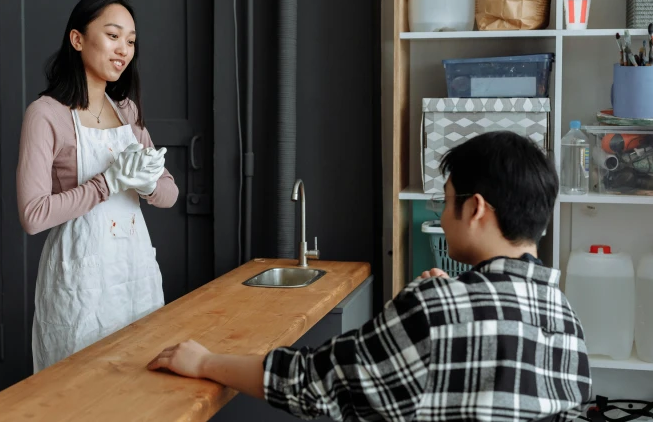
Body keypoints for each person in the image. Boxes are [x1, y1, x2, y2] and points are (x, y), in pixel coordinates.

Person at [147, 131, 592, 421]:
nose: (441, 210)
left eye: (446, 198)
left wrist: (205, 362)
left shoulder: (439, 309)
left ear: (475, 209)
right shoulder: (567, 319)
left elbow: (315, 381)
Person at [17, 0, 178, 372]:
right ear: (77, 39)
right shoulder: (45, 115)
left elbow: (170, 194)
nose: (124, 49)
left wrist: (147, 180)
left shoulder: (127, 111)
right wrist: (107, 183)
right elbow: (33, 214)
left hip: (134, 269)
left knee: (143, 385)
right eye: (113, 35)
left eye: (131, 40)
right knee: (80, 392)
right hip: (81, 279)